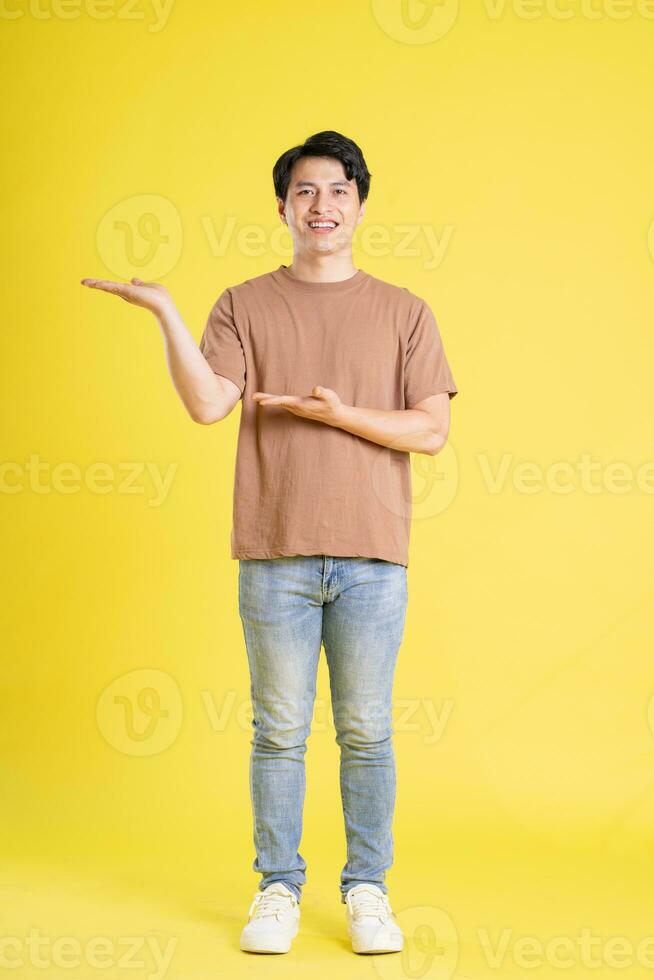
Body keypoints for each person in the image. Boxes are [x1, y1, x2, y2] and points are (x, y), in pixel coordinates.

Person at [81, 130, 458, 956]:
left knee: (365, 729)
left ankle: (367, 890)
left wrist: (337, 414)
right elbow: (210, 405)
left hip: (370, 556)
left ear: (360, 204)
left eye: (337, 191)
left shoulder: (404, 311)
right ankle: (278, 889)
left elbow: (430, 431)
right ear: (284, 207)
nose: (321, 205)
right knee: (279, 730)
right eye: (305, 192)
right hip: (275, 553)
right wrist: (167, 313)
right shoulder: (244, 304)